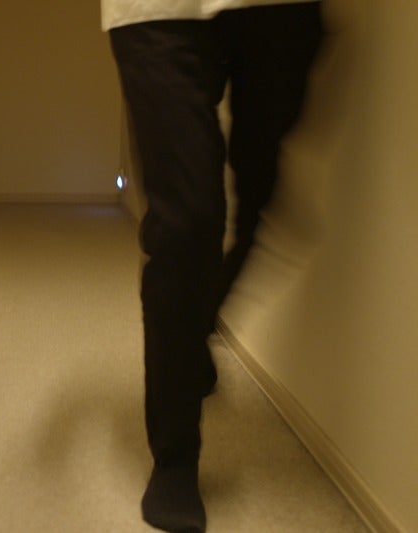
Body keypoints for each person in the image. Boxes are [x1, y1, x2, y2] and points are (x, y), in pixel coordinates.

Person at [103, 1, 324, 531]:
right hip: (153, 11)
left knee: (261, 199)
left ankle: (195, 328)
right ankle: (176, 458)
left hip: (279, 9)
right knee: (186, 224)